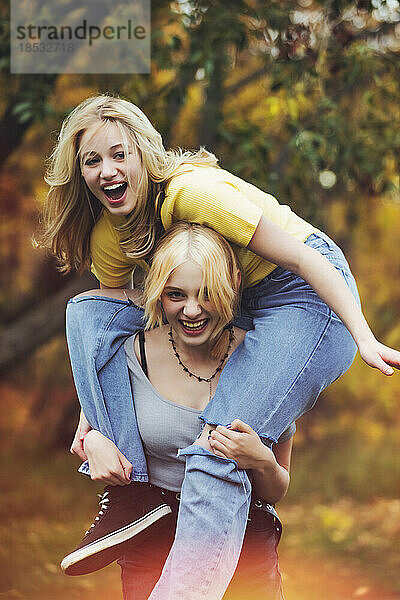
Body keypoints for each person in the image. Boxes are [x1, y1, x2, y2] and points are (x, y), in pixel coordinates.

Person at [36, 94, 400, 599]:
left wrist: (361, 333)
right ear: (79, 174)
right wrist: (91, 426)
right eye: (91, 161)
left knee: (218, 446)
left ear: (143, 153)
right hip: (228, 293)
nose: (107, 170)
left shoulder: (193, 193)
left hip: (306, 293)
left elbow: (300, 258)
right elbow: (103, 339)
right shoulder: (109, 236)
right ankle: (134, 493)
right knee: (87, 313)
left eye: (119, 154)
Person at [78, 222, 292, 599]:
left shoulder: (267, 362)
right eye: (176, 294)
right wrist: (94, 438)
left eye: (207, 293)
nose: (192, 310)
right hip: (153, 540)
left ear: (235, 282)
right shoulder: (130, 355)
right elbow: (95, 423)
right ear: (158, 293)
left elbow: (276, 490)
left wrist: (262, 461)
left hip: (245, 542)